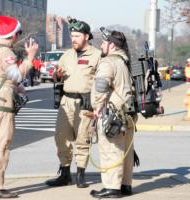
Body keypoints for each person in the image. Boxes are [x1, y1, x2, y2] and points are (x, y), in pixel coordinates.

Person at [0, 15, 38, 198]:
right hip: (2, 100)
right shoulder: (5, 52)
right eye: (18, 33)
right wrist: (30, 58)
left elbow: (0, 74)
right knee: (2, 142)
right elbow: (16, 75)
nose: (19, 37)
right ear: (14, 34)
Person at [45, 18, 101, 188]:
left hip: (85, 102)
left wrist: (98, 104)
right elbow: (56, 77)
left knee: (83, 139)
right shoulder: (67, 55)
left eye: (77, 36)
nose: (73, 39)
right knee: (61, 138)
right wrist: (58, 75)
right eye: (72, 36)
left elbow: (102, 82)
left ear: (86, 36)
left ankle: (81, 174)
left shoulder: (97, 55)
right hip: (66, 101)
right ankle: (65, 174)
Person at [90, 28, 137, 198]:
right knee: (126, 151)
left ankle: (112, 187)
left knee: (111, 150)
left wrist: (97, 107)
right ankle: (125, 185)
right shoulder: (125, 61)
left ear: (112, 45)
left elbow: (101, 86)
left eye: (103, 42)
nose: (101, 45)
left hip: (113, 115)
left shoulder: (108, 62)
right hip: (128, 114)